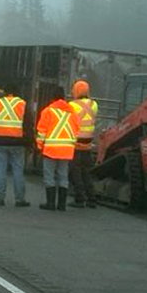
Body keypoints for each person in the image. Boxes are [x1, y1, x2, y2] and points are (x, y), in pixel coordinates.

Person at [0, 85, 32, 207]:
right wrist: (29, 143)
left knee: (0, 170)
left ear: (5, 92)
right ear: (18, 93)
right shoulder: (23, 104)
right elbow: (28, 125)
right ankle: (20, 199)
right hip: (18, 143)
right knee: (18, 171)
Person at [36, 90, 80, 211]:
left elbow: (42, 131)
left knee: (49, 176)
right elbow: (76, 130)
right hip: (67, 150)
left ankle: (50, 203)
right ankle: (61, 205)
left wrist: (39, 146)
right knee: (63, 176)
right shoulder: (72, 113)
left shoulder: (48, 111)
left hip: (51, 149)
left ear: (52, 99)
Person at [68, 80, 99, 208]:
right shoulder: (94, 104)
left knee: (75, 172)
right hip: (88, 143)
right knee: (87, 173)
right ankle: (92, 199)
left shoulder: (71, 105)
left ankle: (79, 199)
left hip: (76, 143)